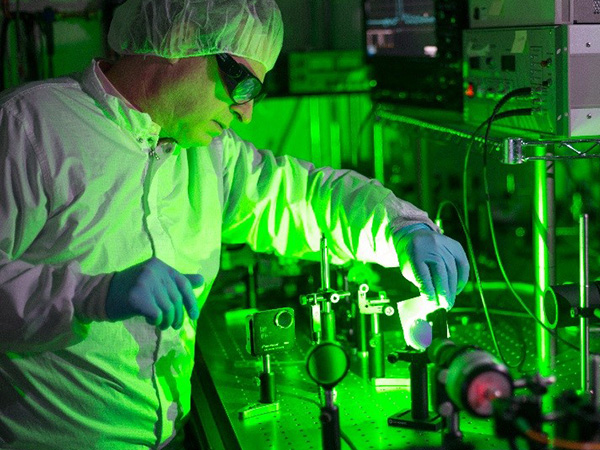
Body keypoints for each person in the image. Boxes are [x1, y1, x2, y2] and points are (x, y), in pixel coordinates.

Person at [0, 0, 469, 447]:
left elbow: (305, 198)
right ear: (181, 38)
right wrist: (92, 295)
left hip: (171, 438)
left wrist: (401, 230)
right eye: (242, 84)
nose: (246, 111)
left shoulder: (207, 155)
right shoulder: (29, 128)